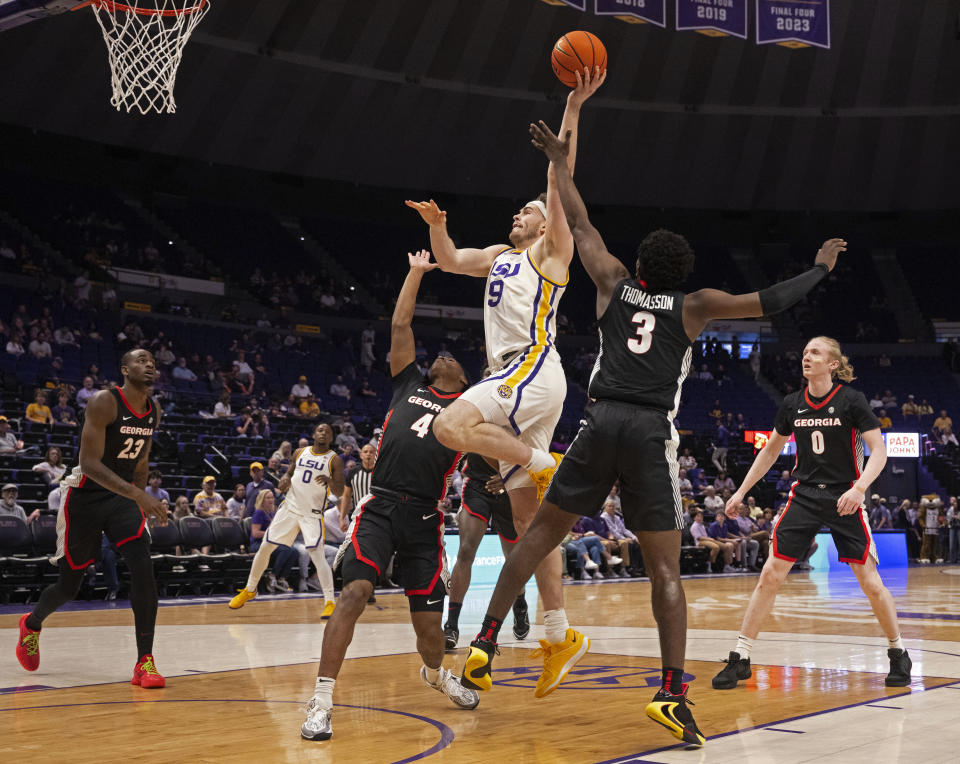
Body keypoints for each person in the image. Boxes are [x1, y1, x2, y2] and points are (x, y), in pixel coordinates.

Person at [461, 118, 848, 747]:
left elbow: (580, 224)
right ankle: (670, 693)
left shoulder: (613, 285)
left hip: (598, 420)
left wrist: (560, 164)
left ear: (640, 266)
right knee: (664, 571)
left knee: (537, 536)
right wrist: (821, 268)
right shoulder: (695, 306)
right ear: (680, 272)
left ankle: (484, 641)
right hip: (647, 434)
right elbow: (770, 301)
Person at [407, 68, 606, 695]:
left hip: (530, 368)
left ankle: (546, 459)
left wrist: (571, 110)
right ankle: (557, 632)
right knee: (530, 522)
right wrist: (437, 225)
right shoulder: (499, 254)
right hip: (525, 382)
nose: (522, 214)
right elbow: (449, 260)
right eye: (521, 211)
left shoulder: (552, 252)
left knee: (450, 424)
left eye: (531, 211)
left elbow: (557, 177)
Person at [300, 251, 477, 743]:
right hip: (379, 507)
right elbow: (400, 323)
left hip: (423, 520)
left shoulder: (469, 408)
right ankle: (321, 700)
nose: (441, 356)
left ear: (464, 380)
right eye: (437, 355)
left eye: (452, 360)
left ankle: (438, 675)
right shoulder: (409, 384)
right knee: (354, 593)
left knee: (428, 635)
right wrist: (416, 272)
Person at [712, 336, 911, 692]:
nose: (807, 356)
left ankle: (898, 652)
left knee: (869, 583)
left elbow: (878, 451)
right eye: (804, 352)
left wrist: (859, 489)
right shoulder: (791, 404)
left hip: (845, 495)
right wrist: (741, 492)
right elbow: (770, 452)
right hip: (803, 495)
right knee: (770, 573)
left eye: (815, 352)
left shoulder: (852, 400)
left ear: (833, 364)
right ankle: (740, 655)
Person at [14, 349, 168, 687]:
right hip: (84, 497)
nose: (150, 366)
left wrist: (139, 502)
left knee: (143, 567)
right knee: (70, 585)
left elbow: (141, 464)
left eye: (153, 363)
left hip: (123, 497)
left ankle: (145, 661)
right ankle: (33, 623)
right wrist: (140, 495)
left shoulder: (153, 410)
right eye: (142, 361)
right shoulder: (104, 401)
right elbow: (90, 463)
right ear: (125, 369)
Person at [230, 423, 343, 618]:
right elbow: (289, 474)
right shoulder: (299, 452)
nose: (323, 433)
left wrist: (329, 481)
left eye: (328, 432)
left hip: (312, 513)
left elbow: (340, 490)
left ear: (331, 438)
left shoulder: (334, 460)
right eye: (320, 430)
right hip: (290, 507)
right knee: (265, 547)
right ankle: (250, 589)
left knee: (317, 555)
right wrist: (284, 480)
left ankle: (330, 601)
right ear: (314, 433)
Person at [444, 453, 527, 651]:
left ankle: (520, 603)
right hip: (476, 486)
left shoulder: (522, 421)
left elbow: (534, 452)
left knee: (513, 559)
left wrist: (512, 476)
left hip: (511, 489)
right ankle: (451, 624)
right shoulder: (472, 420)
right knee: (466, 551)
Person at [340, 442, 375, 530]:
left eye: (371, 452)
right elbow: (346, 496)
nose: (368, 454)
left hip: (376, 517)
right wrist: (342, 518)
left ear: (376, 455)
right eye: (365, 452)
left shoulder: (381, 473)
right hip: (357, 516)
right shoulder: (352, 473)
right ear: (361, 455)